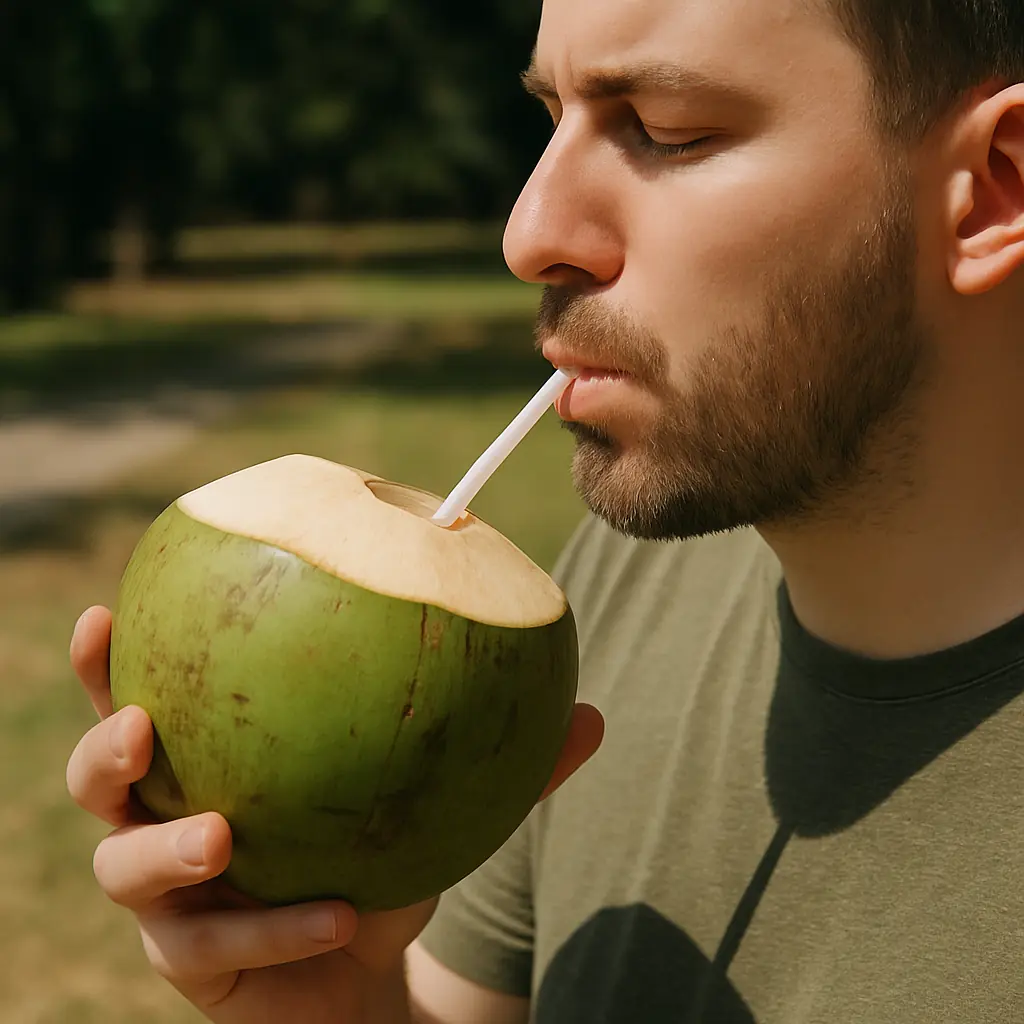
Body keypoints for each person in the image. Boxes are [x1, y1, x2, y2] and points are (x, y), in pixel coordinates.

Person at [66, 0, 1024, 1020]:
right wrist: (333, 1000)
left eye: (666, 132)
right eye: (551, 116)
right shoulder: (615, 594)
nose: (531, 235)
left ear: (989, 191)